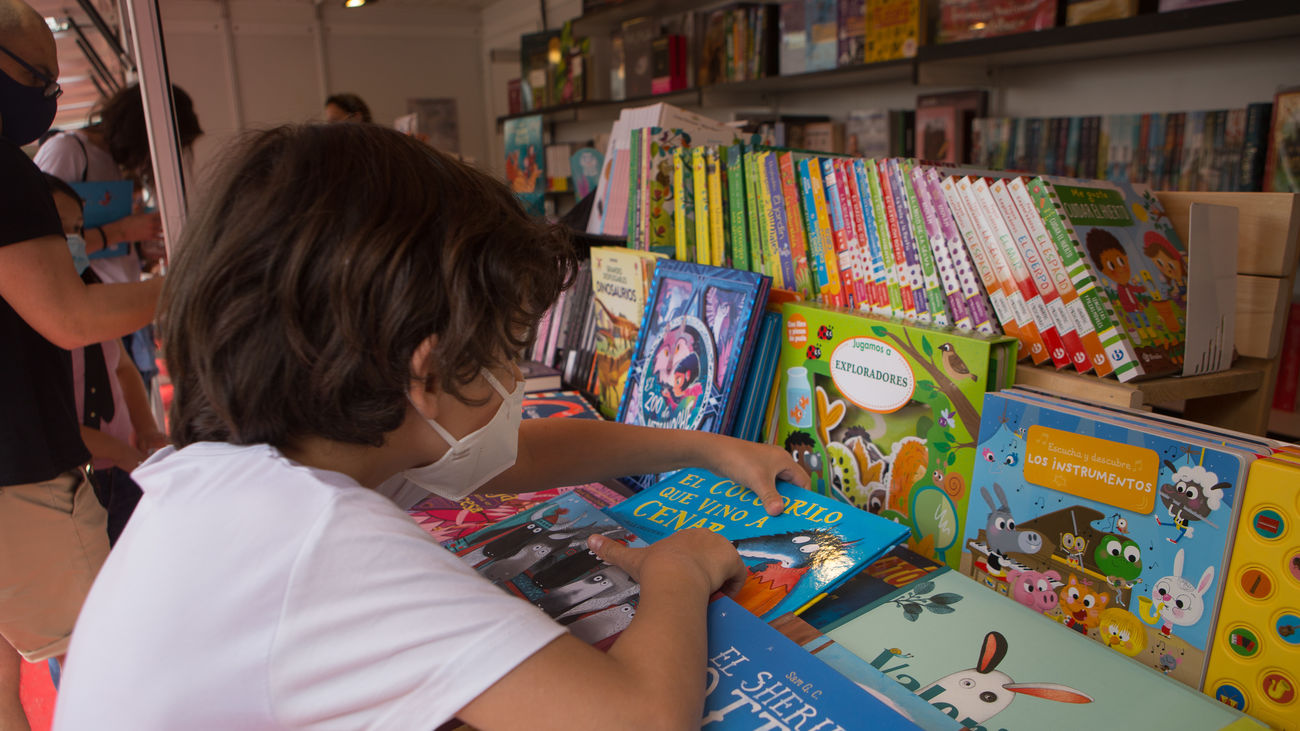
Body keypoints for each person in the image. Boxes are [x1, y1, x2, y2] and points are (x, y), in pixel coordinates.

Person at [53, 122, 807, 729]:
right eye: (511, 354)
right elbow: (638, 717)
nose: (520, 384)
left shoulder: (263, 468)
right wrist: (679, 571)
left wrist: (706, 445)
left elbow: (508, 456)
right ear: (426, 373)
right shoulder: (313, 534)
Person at [0, 1, 162, 728]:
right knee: (114, 655)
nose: (50, 95)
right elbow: (67, 318)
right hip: (17, 471)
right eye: (39, 75)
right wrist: (189, 285)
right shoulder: (8, 177)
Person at [46, 173, 168, 544]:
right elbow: (52, 417)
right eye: (58, 228)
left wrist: (145, 429)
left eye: (78, 229)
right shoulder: (31, 315)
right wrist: (120, 453)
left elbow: (122, 367)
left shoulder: (92, 287)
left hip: (118, 469)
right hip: (76, 481)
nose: (72, 239)